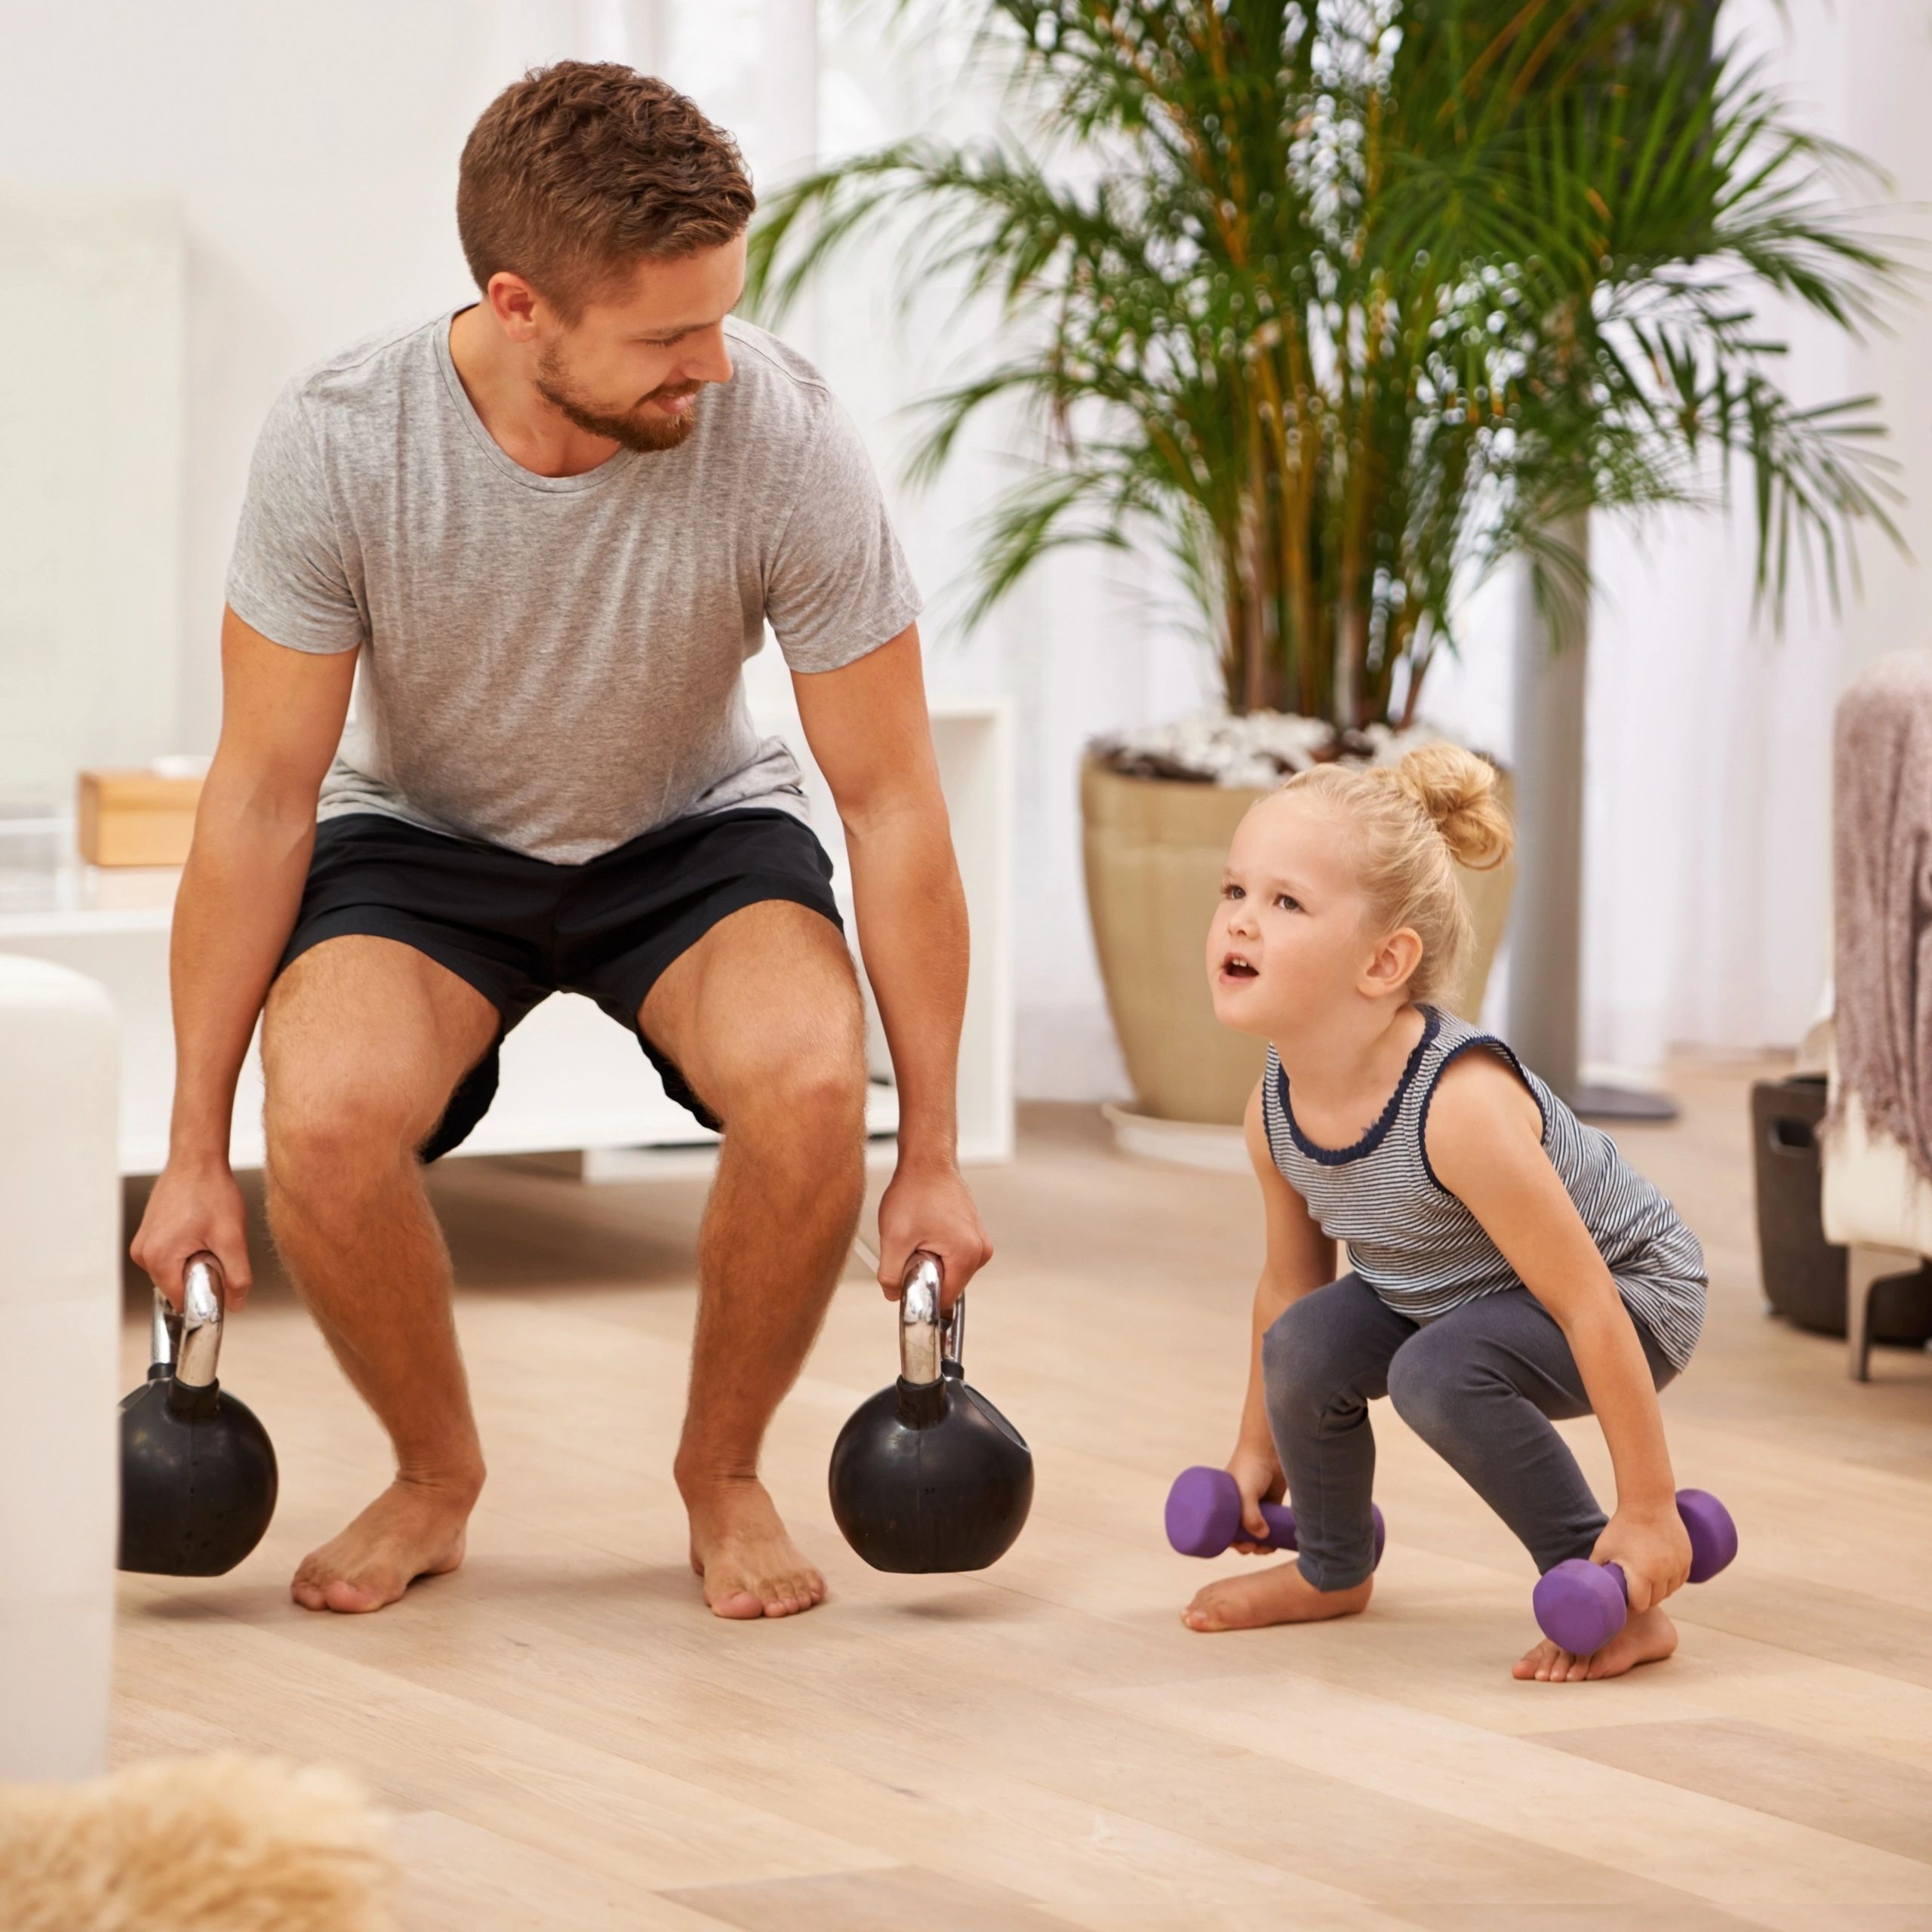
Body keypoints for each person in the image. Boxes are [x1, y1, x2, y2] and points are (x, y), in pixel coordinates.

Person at [130, 62, 991, 1622]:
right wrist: (195, 1148)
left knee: (807, 1081)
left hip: (694, 828)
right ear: (518, 304)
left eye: (721, 316)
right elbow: (261, 795)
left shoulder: (781, 432)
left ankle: (722, 1472)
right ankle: (432, 1471)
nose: (711, 366)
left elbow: (890, 798)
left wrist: (925, 1149)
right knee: (319, 1119)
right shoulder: (343, 439)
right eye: (666, 336)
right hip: (426, 838)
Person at [1180, 743, 1707, 1681]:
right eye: (1234, 892)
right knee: (1304, 1340)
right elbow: (1291, 1287)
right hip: (1455, 1293)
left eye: (1285, 902)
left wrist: (1650, 1507)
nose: (1242, 922)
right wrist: (1255, 1451)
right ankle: (1332, 1568)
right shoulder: (1274, 1108)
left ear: (1384, 962)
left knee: (1436, 1371)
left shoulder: (1457, 1106)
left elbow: (1586, 1298)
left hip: (1629, 1296)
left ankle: (1605, 1589)